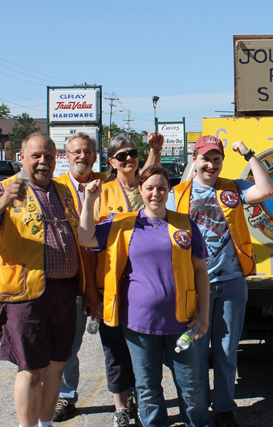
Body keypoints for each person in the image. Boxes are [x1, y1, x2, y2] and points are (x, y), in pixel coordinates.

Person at [0, 133, 84, 427]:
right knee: (31, 370)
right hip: (25, 296)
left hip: (64, 294)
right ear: (21, 157)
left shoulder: (63, 192)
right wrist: (4, 201)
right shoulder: (3, 190)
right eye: (36, 156)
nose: (43, 162)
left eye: (49, 156)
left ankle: (46, 423)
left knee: (56, 367)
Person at [79, 165, 213, 427]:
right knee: (147, 388)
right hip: (138, 324)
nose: (156, 193)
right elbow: (85, 238)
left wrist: (204, 312)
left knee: (192, 387)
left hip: (182, 322)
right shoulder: (122, 224)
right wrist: (89, 201)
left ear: (169, 190)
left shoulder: (185, 224)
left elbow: (200, 271)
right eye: (149, 188)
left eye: (161, 188)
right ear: (140, 190)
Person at [166, 135, 273, 427]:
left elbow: (267, 190)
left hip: (231, 283)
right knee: (197, 355)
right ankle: (200, 411)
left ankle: (225, 410)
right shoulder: (178, 193)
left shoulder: (233, 188)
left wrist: (249, 155)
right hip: (194, 287)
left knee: (227, 352)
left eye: (217, 159)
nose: (211, 165)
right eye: (205, 159)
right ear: (194, 160)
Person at [93, 132, 163, 426]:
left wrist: (154, 150)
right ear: (111, 162)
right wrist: (91, 292)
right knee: (115, 348)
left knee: (144, 348)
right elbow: (89, 240)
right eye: (121, 156)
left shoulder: (148, 188)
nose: (128, 159)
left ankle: (141, 399)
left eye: (132, 153)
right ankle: (121, 407)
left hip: (145, 282)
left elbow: (153, 172)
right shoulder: (102, 192)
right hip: (112, 282)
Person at [52, 133, 105, 422]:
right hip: (73, 281)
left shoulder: (108, 184)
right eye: (76, 152)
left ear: (95, 157)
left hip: (111, 278)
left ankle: (128, 395)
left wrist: (154, 152)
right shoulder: (55, 188)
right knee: (67, 346)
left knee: (121, 345)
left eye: (87, 151)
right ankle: (65, 395)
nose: (82, 156)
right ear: (66, 156)